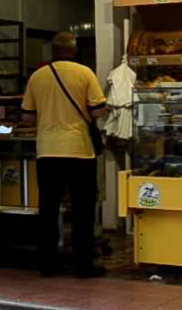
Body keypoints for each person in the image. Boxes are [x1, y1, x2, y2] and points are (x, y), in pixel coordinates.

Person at [21, 32, 108, 278]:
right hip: (79, 151)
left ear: (53, 50)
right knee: (83, 210)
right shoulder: (85, 73)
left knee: (48, 209)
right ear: (75, 50)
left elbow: (27, 116)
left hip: (47, 151)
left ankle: (48, 264)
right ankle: (83, 265)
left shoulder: (37, 76)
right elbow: (98, 111)